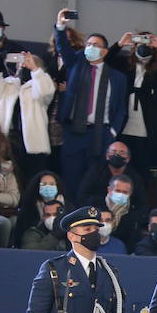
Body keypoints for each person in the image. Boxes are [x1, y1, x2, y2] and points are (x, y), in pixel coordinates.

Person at [52, 11, 127, 195]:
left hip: (101, 134)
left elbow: (121, 109)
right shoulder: (77, 64)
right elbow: (62, 48)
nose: (90, 47)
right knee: (70, 178)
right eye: (89, 44)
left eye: (95, 45)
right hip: (74, 132)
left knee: (96, 180)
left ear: (105, 51)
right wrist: (60, 26)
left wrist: (113, 132)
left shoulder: (117, 78)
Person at [0, 50, 56, 186]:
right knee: (9, 181)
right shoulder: (9, 85)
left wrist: (35, 70)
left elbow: (46, 91)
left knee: (31, 181)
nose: (23, 67)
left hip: (33, 144)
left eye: (27, 64)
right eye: (21, 64)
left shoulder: (39, 85)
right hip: (9, 139)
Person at [111, 29, 157, 187]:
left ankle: (140, 203)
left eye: (146, 42)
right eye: (140, 42)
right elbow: (108, 61)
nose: (143, 46)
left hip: (146, 124)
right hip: (125, 122)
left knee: (142, 168)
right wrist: (120, 44)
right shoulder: (125, 62)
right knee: (122, 166)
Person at [16, 171, 69, 250]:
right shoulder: (28, 209)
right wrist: (55, 235)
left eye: (51, 184)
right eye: (44, 184)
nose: (48, 187)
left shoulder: (69, 208)